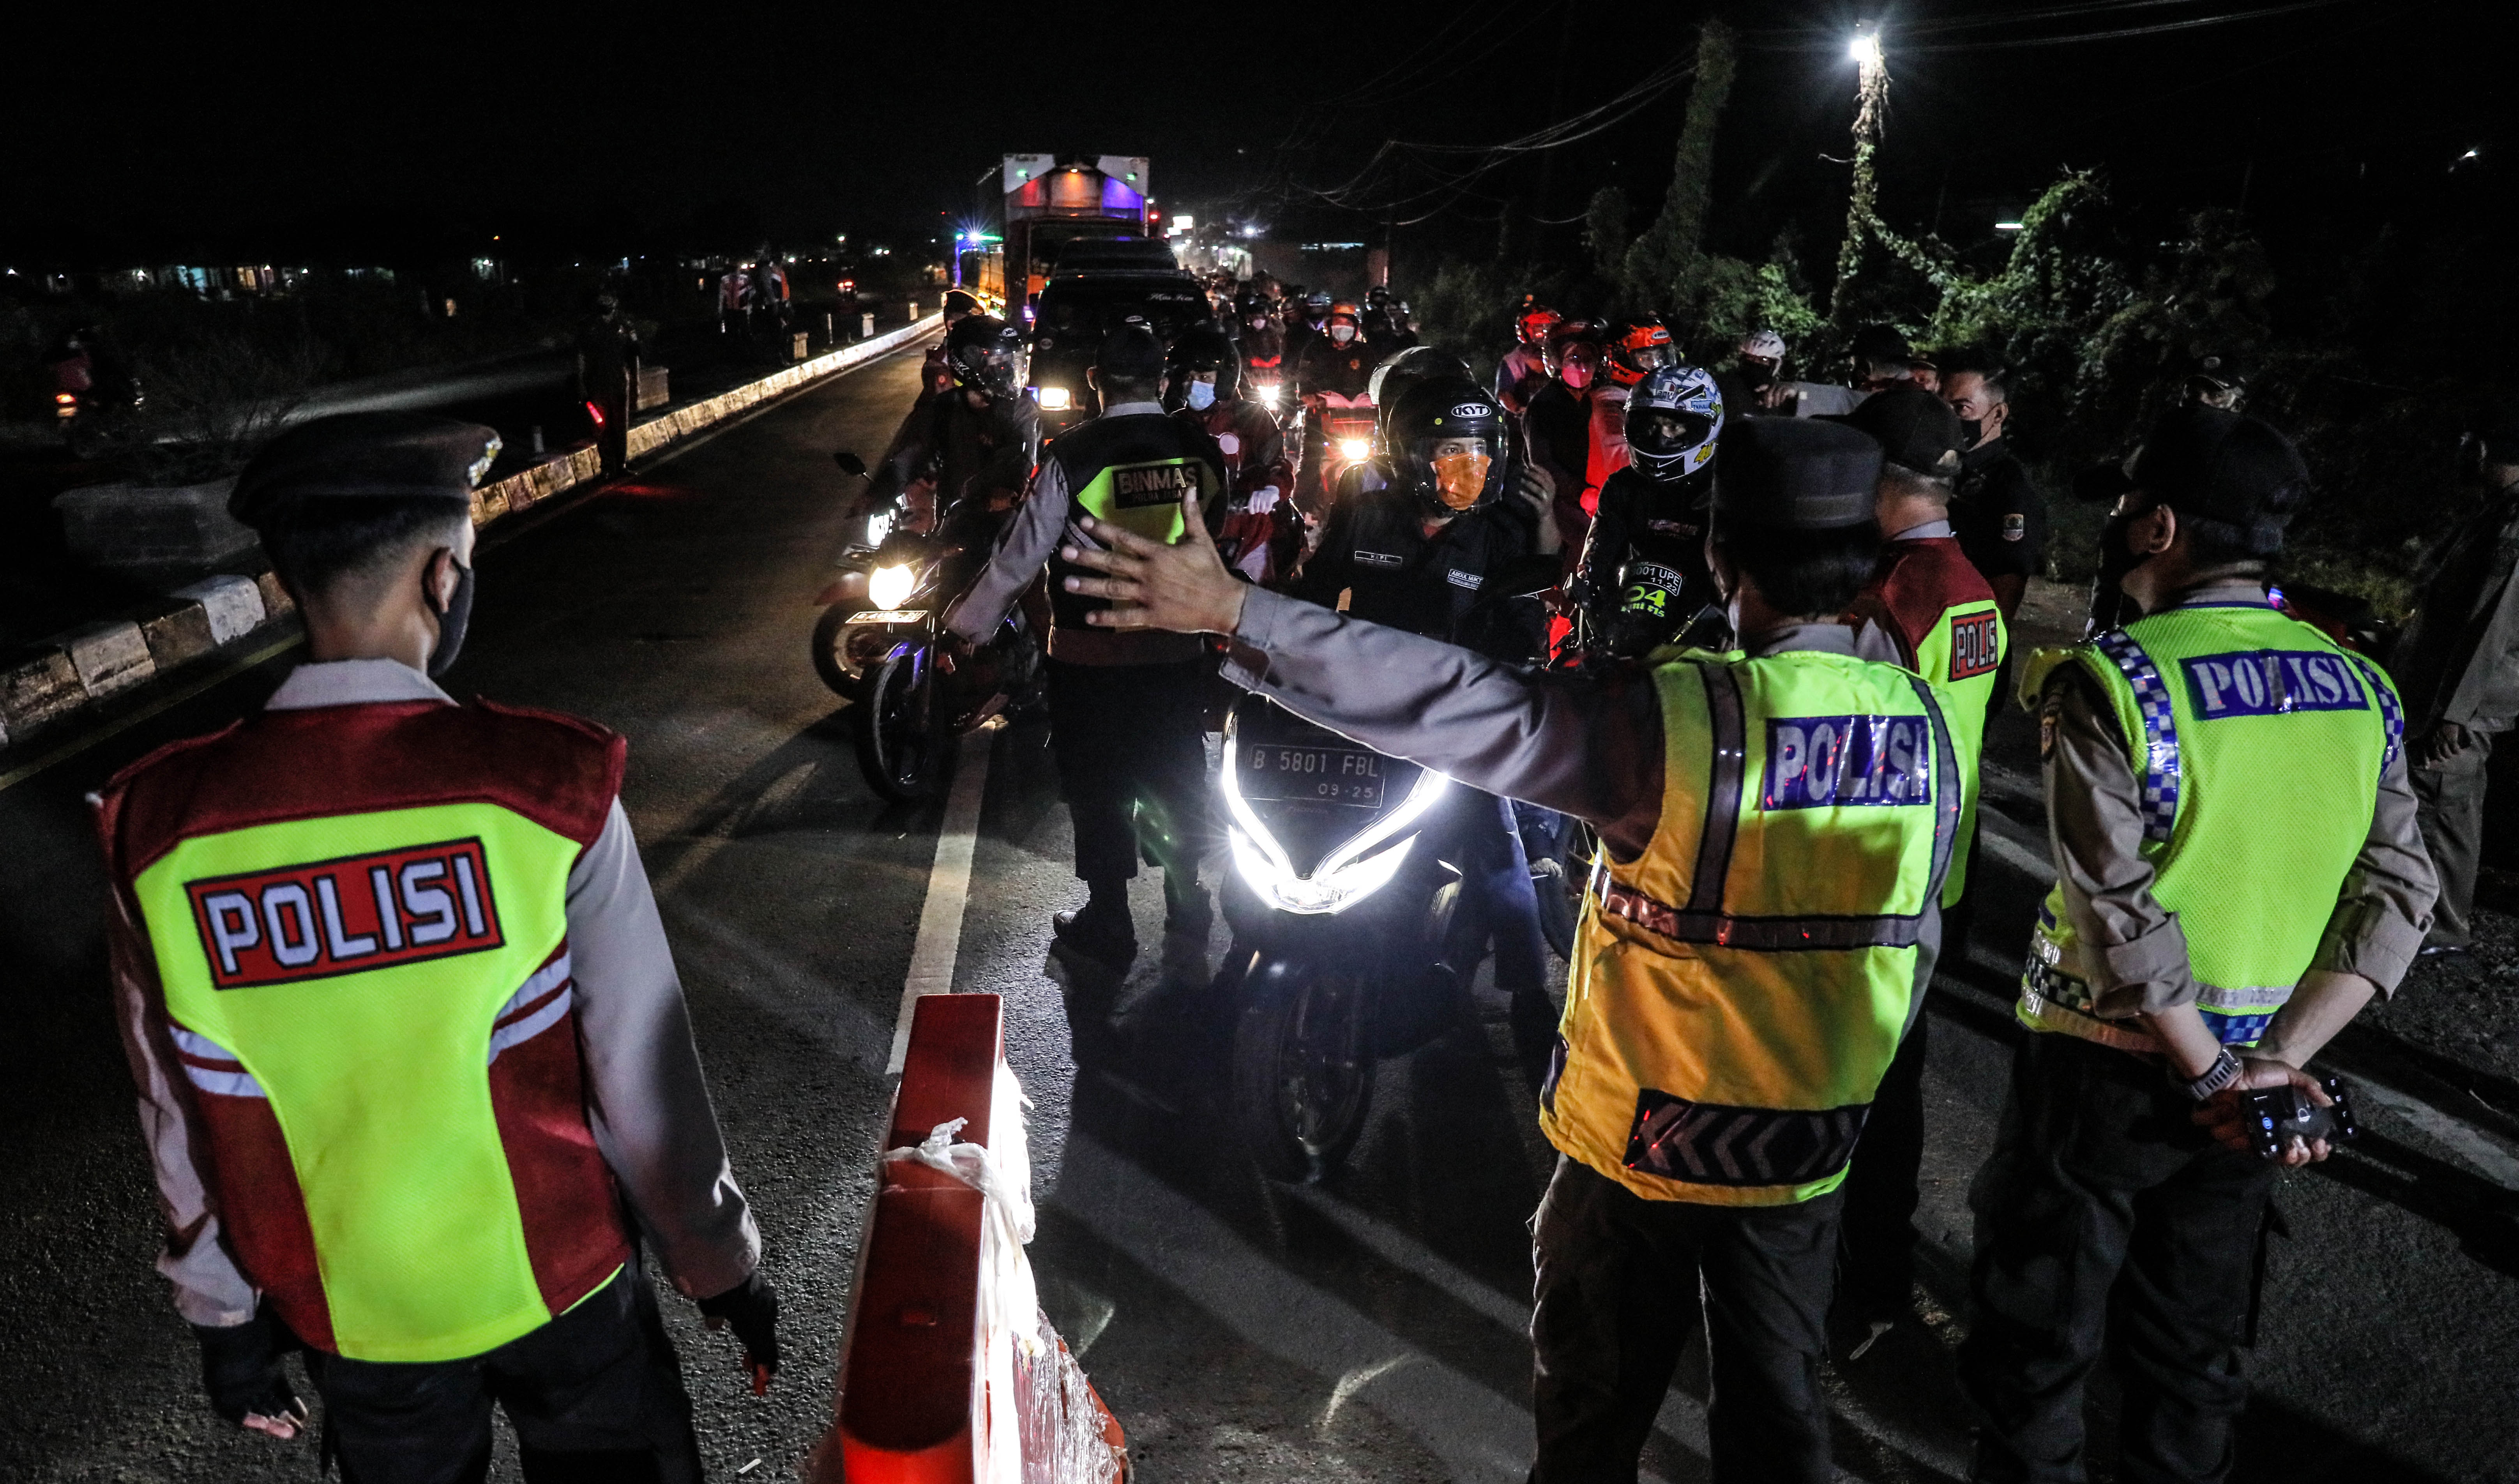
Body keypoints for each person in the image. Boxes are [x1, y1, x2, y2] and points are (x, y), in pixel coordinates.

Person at [1063, 416, 1963, 1484]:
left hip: (1640, 1158)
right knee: (1777, 1419)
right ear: (1861, 561)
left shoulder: (1677, 721)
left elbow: (1458, 702)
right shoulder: (1922, 723)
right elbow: (1913, 937)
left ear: (1723, 555)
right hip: (1804, 1154)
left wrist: (1237, 613)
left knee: (1590, 1424)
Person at [94, 413, 775, 1481]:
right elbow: (645, 1074)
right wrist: (719, 1265)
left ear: (290, 584)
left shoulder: (157, 827)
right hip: (565, 1287)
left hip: (356, 1318)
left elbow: (173, 1101)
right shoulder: (545, 786)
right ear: (442, 578)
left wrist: (224, 1319)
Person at [1962, 406, 2435, 1484]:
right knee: (2190, 1356)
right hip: (2253, 1094)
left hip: (2099, 1079)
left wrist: (2211, 1070)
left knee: (2037, 1347)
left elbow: (2115, 908)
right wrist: (2274, 1065)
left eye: (2127, 507)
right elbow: (2401, 892)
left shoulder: (2115, 680)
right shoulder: (2361, 686)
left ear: (2159, 528)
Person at [1284, 377, 1559, 1055]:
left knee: (1499, 855)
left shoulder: (1503, 527)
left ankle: (1529, 994)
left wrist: (1545, 526)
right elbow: (1315, 591)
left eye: (1480, 450)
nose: (1470, 465)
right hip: (1364, 711)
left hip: (1454, 721)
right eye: (1450, 449)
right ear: (1409, 455)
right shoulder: (1365, 505)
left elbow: (1533, 609)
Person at [944, 326, 1228, 973]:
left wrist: (968, 628)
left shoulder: (1071, 454)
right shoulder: (1203, 451)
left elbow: (1019, 559)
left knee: (1099, 788)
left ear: (1096, 380)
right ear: (1163, 380)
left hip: (1089, 661)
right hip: (1175, 656)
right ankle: (1188, 904)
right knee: (1177, 776)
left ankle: (1110, 922)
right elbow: (1215, 540)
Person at [1826, 387, 2007, 1340]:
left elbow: (1842, 742)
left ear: (1874, 476)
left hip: (1877, 880)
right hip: (1945, 869)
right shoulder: (1971, 586)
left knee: (1853, 1093)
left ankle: (1857, 1286)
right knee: (1895, 1085)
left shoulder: (1890, 600)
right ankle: (1880, 1279)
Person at [2388, 410, 2519, 954]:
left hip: (2468, 698)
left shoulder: (2512, 523)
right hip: (2453, 694)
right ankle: (2426, 916)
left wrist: (2455, 712)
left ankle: (2443, 928)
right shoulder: (2495, 512)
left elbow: (2493, 623)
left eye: (2479, 447)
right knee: (2438, 801)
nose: (2471, 457)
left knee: (2445, 805)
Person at [1566, 362, 1724, 658]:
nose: (1659, 438)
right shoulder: (1622, 486)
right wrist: (1589, 601)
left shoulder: (1729, 491)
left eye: (1674, 427)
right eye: (1649, 425)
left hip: (1708, 627)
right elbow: (1597, 559)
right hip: (1630, 620)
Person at [866, 314, 1038, 533]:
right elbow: (910, 454)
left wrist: (1010, 489)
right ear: (969, 362)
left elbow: (1024, 457)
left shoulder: (1020, 409)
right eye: (999, 362)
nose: (1008, 370)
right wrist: (880, 491)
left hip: (1010, 527)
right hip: (952, 525)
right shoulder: (942, 408)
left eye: (1010, 362)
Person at [1166, 323, 1294, 582]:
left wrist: (1271, 490)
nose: (1193, 385)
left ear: (1224, 378)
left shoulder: (1253, 417)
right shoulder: (1175, 423)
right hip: (1190, 535)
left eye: (1204, 377)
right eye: (1188, 378)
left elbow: (1278, 464)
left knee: (1257, 600)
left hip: (1248, 533)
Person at [1941, 359, 2047, 627]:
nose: (1946, 419)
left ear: (1998, 414)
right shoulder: (1941, 470)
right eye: (1940, 407)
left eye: (1961, 408)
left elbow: (2003, 600)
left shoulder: (2010, 490)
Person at [1526, 318, 1607, 557]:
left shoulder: (1606, 397)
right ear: (1557, 361)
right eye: (1573, 358)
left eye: (1587, 358)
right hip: (1565, 502)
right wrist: (1581, 493)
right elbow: (1542, 462)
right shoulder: (1543, 405)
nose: (1581, 365)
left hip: (1607, 496)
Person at [1293, 300, 1377, 516]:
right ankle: (1299, 515)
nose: (1343, 328)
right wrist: (1309, 396)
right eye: (1338, 323)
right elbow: (1304, 379)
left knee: (1384, 461)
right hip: (1321, 418)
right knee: (1311, 464)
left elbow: (1376, 380)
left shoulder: (1365, 352)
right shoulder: (1315, 350)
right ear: (1329, 326)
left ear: (1355, 327)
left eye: (1348, 324)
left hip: (1360, 420)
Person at [576, 293, 641, 475]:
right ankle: (606, 467)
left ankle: (621, 465)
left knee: (621, 426)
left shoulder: (625, 326)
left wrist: (636, 383)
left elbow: (634, 356)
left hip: (620, 383)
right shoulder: (589, 327)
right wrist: (581, 384)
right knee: (601, 427)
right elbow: (581, 357)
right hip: (597, 385)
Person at [1495, 301, 1562, 423]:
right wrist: (1519, 410)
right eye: (1536, 328)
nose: (1542, 332)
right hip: (1525, 420)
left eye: (1547, 327)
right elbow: (1504, 394)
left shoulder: (1562, 355)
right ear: (1526, 331)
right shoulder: (1514, 360)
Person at [922, 289, 986, 395]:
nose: (978, 330)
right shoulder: (939, 367)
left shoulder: (975, 356)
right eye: (971, 324)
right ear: (951, 325)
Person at [1717, 328, 1788, 420]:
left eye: (1763, 360)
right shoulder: (1725, 384)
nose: (1755, 363)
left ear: (1774, 365)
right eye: (1750, 357)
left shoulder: (1780, 394)